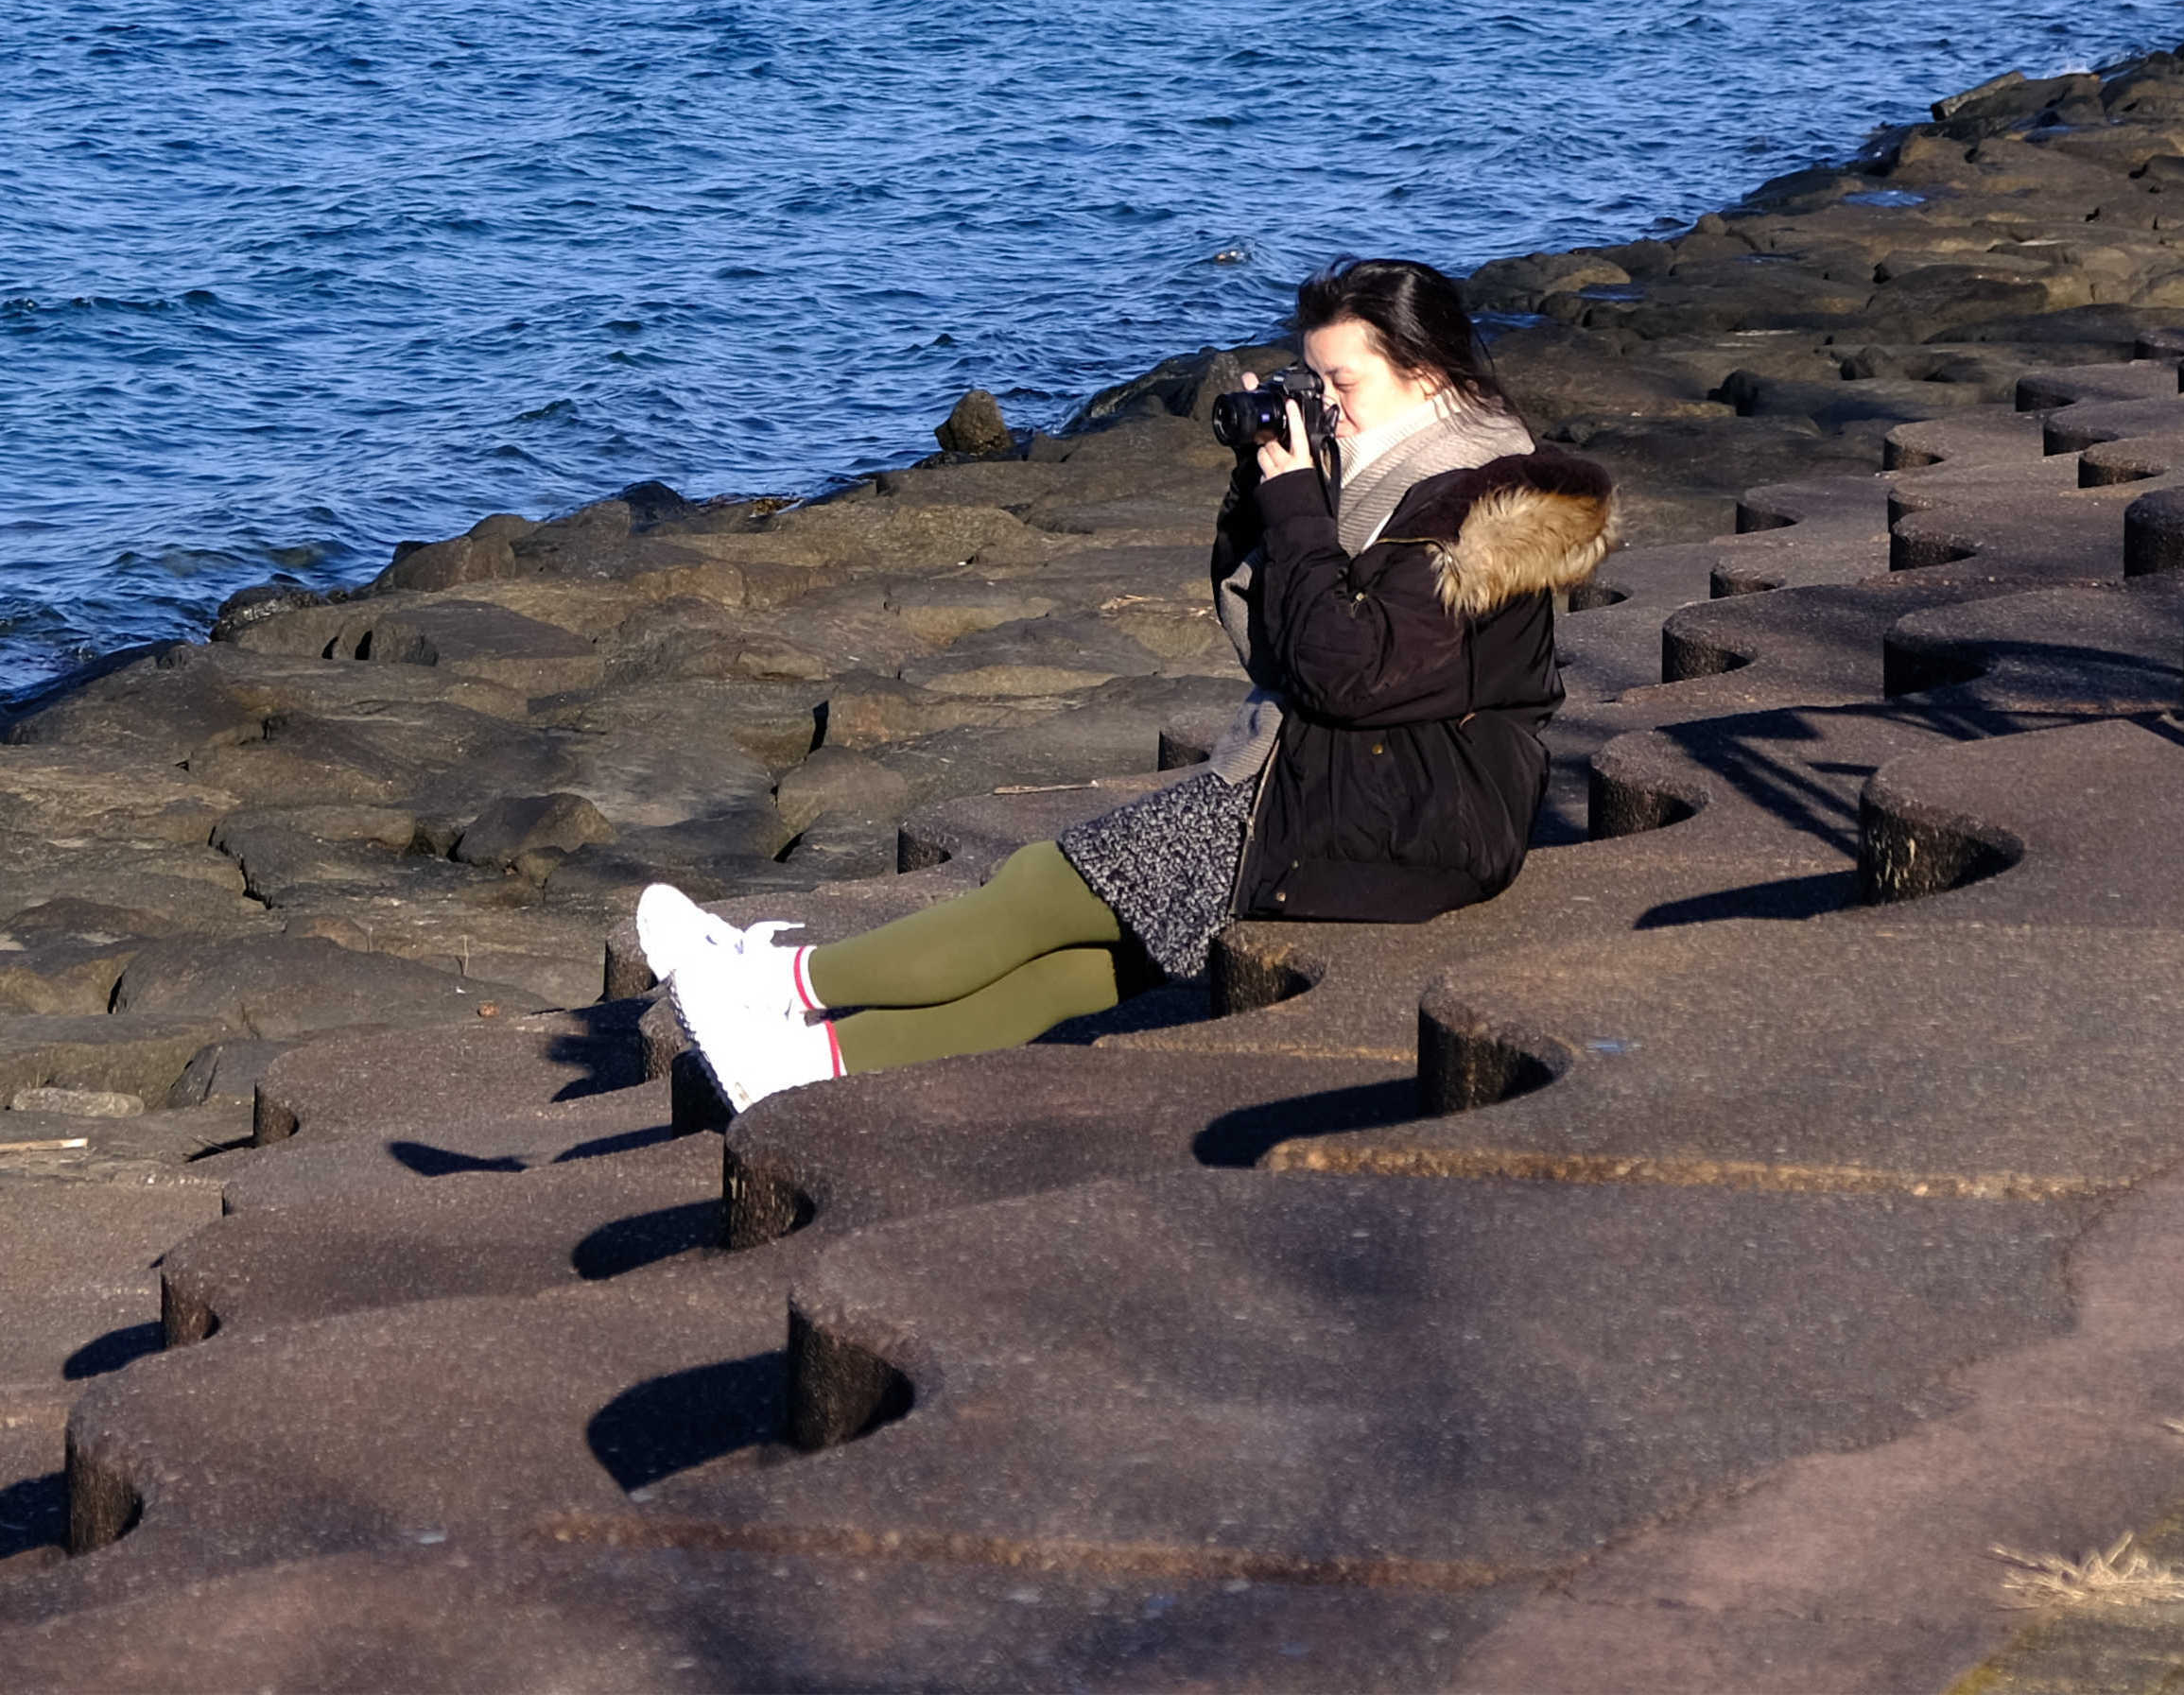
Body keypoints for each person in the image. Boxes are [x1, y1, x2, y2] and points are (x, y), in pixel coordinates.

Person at [642, 257, 1611, 1106]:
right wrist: (1263, 494)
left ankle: (782, 982)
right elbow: (1276, 649)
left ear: (1426, 371)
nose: (1324, 404)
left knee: (1040, 888)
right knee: (1092, 963)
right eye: (1312, 379)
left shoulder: (1468, 500)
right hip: (1370, 781)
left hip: (1405, 810)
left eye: (1341, 381)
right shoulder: (1397, 471)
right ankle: (803, 1064)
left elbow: (1343, 669)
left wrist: (1295, 502)